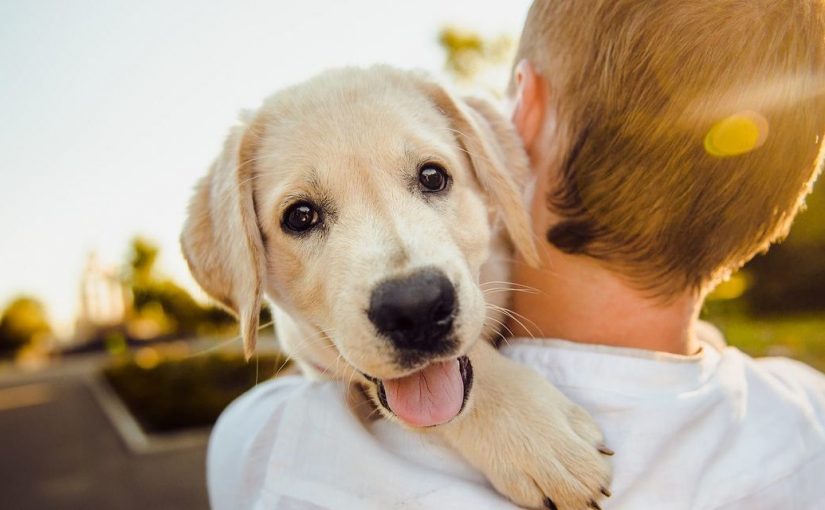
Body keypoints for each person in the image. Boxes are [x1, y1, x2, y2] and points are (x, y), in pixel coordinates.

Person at [207, 1, 825, 508]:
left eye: (430, 178)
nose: (408, 285)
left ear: (518, 120)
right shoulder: (806, 417)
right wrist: (484, 400)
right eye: (304, 217)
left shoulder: (266, 448)